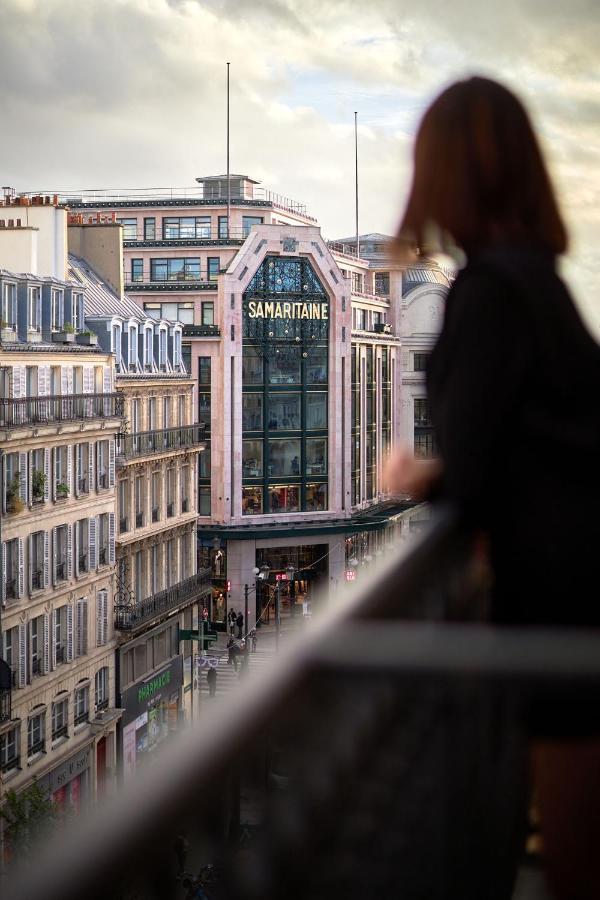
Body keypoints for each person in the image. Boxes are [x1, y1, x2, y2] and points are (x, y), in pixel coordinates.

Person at [388, 76, 600, 900]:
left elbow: (474, 477)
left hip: (563, 613)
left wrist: (412, 474)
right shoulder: (542, 287)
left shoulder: (486, 296)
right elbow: (538, 438)